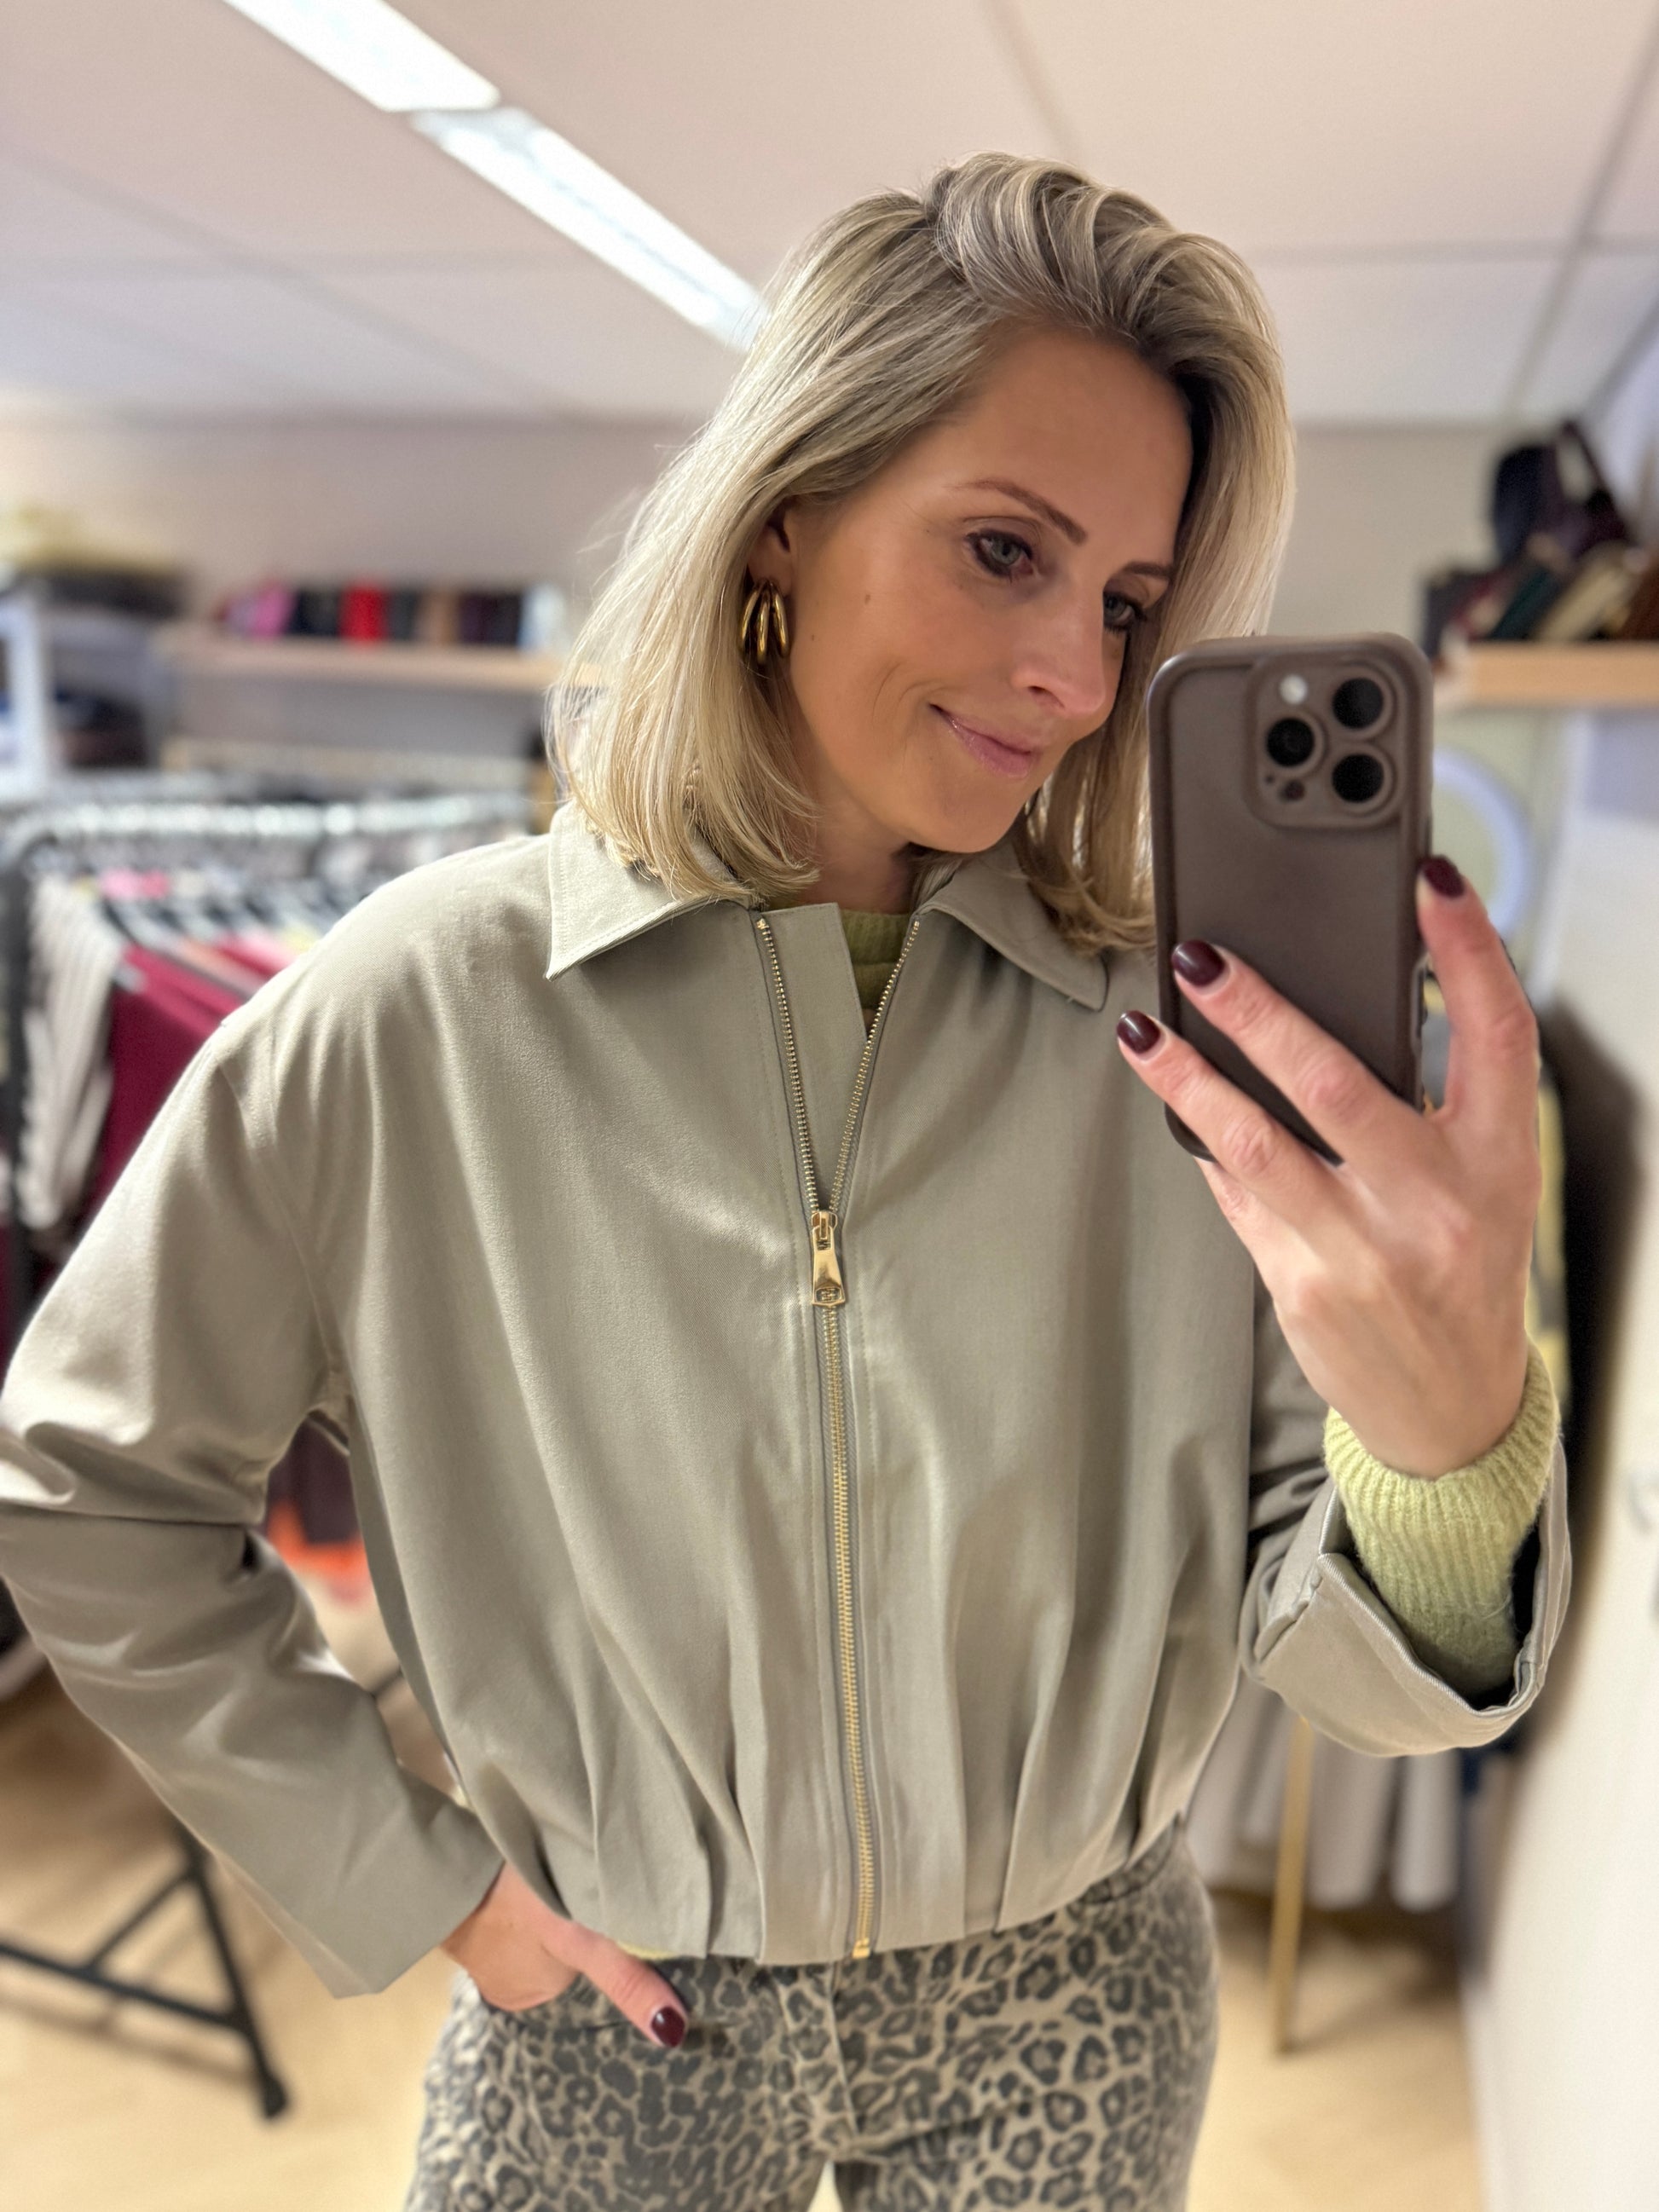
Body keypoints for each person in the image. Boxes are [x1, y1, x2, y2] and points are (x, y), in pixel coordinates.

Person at [0, 155, 1567, 2211]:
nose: (1078, 675)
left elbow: (1354, 1660)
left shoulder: (1185, 1044)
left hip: (1071, 2008)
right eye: (1002, 550)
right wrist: (413, 1876)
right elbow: (91, 1487)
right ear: (782, 513)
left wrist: (1447, 1446)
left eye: (1123, 602)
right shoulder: (414, 1010)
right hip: (612, 2008)